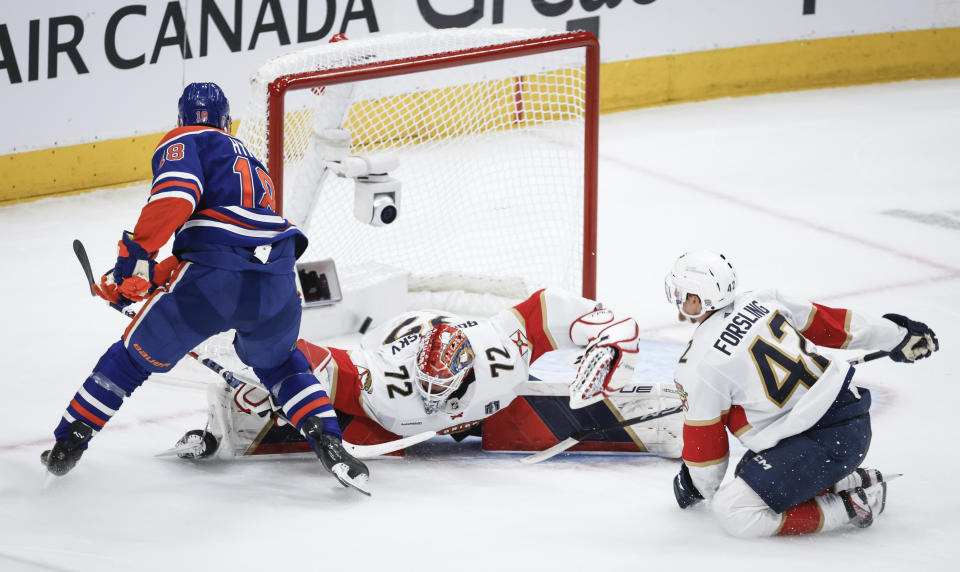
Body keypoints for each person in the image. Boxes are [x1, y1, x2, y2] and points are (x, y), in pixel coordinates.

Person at [42, 82, 369, 492]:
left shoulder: (186, 139)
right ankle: (328, 440)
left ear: (181, 120)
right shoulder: (252, 160)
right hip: (277, 279)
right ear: (227, 121)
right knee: (280, 363)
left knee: (130, 361)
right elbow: (221, 237)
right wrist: (150, 278)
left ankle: (69, 440)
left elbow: (176, 199)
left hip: (212, 283)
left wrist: (132, 261)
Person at [174, 288, 682, 458]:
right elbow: (309, 358)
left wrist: (612, 331)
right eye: (430, 387)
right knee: (331, 414)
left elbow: (547, 306)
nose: (437, 397)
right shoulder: (381, 374)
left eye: (446, 388)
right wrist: (259, 361)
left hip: (454, 347)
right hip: (400, 334)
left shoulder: (499, 353)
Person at [665, 250, 939, 537]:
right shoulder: (762, 299)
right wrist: (898, 335)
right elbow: (834, 325)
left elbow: (707, 446)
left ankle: (853, 505)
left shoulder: (698, 365)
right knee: (748, 476)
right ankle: (850, 481)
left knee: (734, 510)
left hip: (824, 442)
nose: (677, 299)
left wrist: (697, 486)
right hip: (850, 418)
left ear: (696, 300)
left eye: (681, 293)